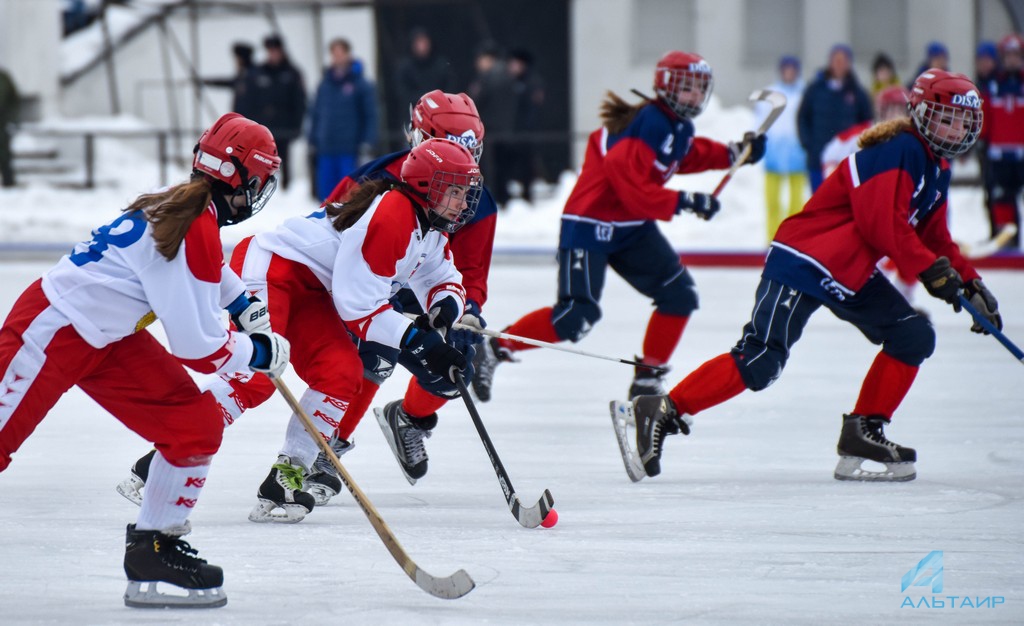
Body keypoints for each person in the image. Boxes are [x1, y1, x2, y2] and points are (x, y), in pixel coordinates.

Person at [620, 70, 999, 484]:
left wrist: (971, 284)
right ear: (922, 112)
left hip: (848, 270)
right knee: (762, 358)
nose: (957, 129)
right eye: (948, 118)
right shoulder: (901, 149)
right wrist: (930, 272)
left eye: (964, 122)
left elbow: (934, 236)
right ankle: (661, 409)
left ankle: (862, 431)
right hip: (807, 259)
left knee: (913, 335)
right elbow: (881, 225)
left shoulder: (934, 166)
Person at [0, 113, 288, 607]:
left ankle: (154, 548)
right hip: (52, 330)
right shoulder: (190, 222)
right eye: (258, 181)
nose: (258, 193)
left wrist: (244, 305)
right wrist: (257, 351)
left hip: (109, 341)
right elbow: (197, 347)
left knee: (193, 425)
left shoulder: (186, 203)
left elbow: (210, 271)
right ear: (240, 178)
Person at [118, 138, 481, 523]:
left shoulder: (430, 229)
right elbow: (359, 309)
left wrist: (442, 314)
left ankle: (286, 477)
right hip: (271, 268)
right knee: (254, 379)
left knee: (341, 375)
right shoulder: (394, 215)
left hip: (311, 289)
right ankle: (165, 458)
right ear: (427, 186)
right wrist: (419, 343)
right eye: (454, 191)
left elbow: (443, 278)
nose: (462, 202)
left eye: (463, 192)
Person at [471, 51, 766, 403]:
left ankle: (647, 378)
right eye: (687, 88)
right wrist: (685, 201)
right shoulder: (649, 122)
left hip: (631, 227)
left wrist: (733, 153)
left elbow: (683, 154)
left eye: (700, 90)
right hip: (590, 224)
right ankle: (494, 348)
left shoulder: (675, 125)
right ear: (665, 86)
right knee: (576, 314)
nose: (695, 98)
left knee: (679, 295)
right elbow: (631, 186)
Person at [313, 90, 495, 492]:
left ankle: (409, 419)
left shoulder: (473, 196)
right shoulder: (378, 179)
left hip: (426, 287)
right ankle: (327, 448)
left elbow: (468, 270)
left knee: (453, 369)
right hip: (368, 285)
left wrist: (464, 312)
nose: (462, 188)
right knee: (373, 357)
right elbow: (334, 235)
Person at [308, 38, 378, 201]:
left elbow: (371, 114)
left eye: (340, 53)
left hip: (349, 148)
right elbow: (315, 113)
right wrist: (312, 138)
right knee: (326, 194)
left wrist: (368, 141)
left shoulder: (361, 84)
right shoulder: (324, 84)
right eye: (334, 54)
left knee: (348, 193)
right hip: (326, 147)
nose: (337, 58)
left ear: (348, 54)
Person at [797, 44, 873, 191]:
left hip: (846, 161)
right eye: (836, 60)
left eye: (843, 60)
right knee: (819, 203)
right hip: (817, 159)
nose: (839, 64)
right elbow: (803, 117)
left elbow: (867, 124)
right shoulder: (815, 89)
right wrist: (808, 145)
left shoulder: (857, 93)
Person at [981, 33, 1024, 248]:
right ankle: (1005, 240)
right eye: (1008, 55)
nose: (1012, 60)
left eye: (1016, 55)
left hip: (1021, 155)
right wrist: (980, 139)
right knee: (1000, 198)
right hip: (998, 154)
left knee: (1015, 199)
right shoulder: (993, 86)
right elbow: (986, 115)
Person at [760, 55, 806, 243]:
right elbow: (761, 121)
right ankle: (772, 238)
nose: (789, 73)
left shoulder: (804, 93)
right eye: (786, 69)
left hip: (797, 152)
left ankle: (792, 238)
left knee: (796, 201)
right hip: (774, 152)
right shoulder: (772, 93)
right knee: (772, 201)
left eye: (792, 69)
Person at [251, 34, 306, 190]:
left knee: (284, 159)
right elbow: (253, 100)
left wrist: (297, 125)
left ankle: (286, 188)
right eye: (270, 51)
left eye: (276, 51)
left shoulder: (292, 73)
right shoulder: (260, 72)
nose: (273, 54)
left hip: (285, 126)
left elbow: (300, 101)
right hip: (265, 127)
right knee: (263, 159)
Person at [468, 42, 517, 207]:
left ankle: (492, 198)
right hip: (507, 128)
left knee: (490, 168)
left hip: (490, 129)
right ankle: (503, 198)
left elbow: (475, 102)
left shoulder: (487, 78)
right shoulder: (508, 76)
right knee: (503, 167)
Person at [505, 48, 546, 204]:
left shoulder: (532, 82)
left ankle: (526, 195)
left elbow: (534, 108)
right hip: (510, 131)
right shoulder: (508, 82)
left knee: (527, 165)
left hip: (527, 131)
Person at [394, 28, 457, 123]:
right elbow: (402, 94)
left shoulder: (441, 65)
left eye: (424, 42)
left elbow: (451, 90)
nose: (422, 46)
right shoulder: (405, 68)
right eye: (418, 43)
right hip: (414, 118)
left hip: (440, 116)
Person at [202, 42, 259, 118]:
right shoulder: (244, 75)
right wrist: (208, 82)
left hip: (249, 119)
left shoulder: (251, 76)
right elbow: (229, 82)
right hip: (243, 119)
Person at [0, 66, 19, 188]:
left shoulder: (4, 78)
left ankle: (9, 183)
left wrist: (11, 119)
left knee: (4, 155)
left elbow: (14, 100)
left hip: (2, 123)